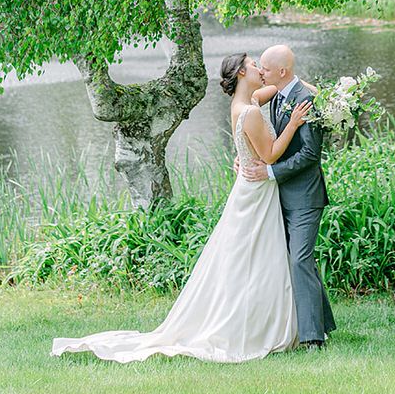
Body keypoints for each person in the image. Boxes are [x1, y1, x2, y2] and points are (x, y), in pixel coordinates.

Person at [50, 52, 312, 364]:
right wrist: (294, 124)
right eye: (255, 65)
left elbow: (286, 86)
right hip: (256, 189)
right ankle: (252, 325)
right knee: (252, 258)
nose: (261, 68)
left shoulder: (249, 100)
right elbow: (269, 155)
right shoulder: (251, 112)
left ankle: (262, 318)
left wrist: (301, 83)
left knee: (250, 258)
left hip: (250, 188)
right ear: (242, 72)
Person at [240, 44, 336, 350]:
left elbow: (310, 153)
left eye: (266, 68)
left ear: (281, 71)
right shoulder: (279, 95)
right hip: (279, 196)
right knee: (299, 261)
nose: (261, 72)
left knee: (299, 261)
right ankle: (324, 322)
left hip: (305, 197)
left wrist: (270, 173)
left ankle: (312, 338)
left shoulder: (304, 102)